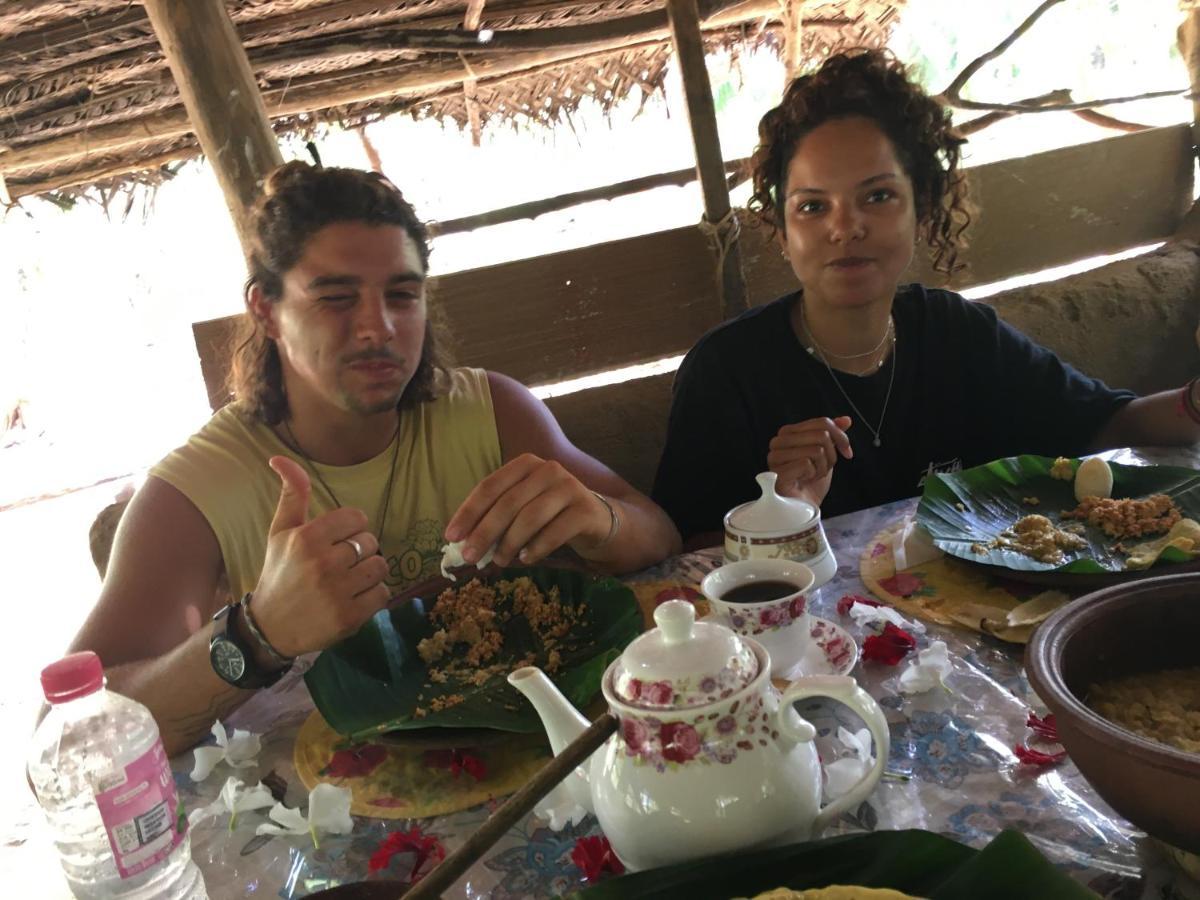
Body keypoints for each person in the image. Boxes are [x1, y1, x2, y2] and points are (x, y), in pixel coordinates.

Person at [67, 162, 681, 755]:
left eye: (402, 294)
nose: (377, 327)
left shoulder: (490, 412)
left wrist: (599, 519)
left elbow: (658, 535)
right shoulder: (200, 491)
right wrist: (258, 634)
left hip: (545, 756)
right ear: (265, 309)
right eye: (336, 297)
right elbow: (75, 736)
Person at [653, 49, 1200, 547]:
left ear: (924, 205)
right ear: (782, 229)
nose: (846, 227)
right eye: (813, 206)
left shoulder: (958, 336)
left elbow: (1109, 425)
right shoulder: (727, 372)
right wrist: (787, 513)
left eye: (878, 196)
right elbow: (678, 560)